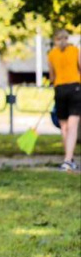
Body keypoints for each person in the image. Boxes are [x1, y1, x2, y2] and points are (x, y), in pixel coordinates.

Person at [47, 29, 81, 171]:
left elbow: (52, 77)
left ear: (55, 39)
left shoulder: (51, 54)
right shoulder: (75, 50)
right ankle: (68, 160)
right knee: (72, 126)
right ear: (67, 38)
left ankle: (68, 158)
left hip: (59, 89)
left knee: (64, 127)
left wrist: (53, 82)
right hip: (75, 89)